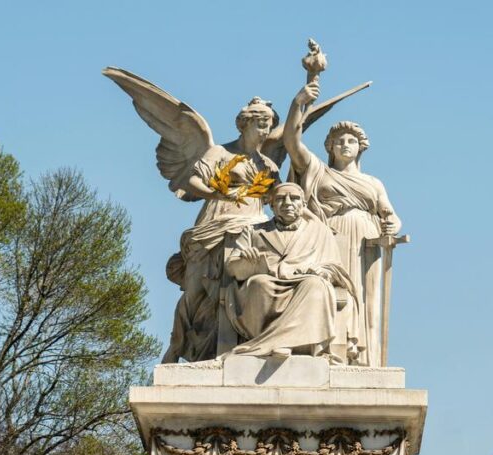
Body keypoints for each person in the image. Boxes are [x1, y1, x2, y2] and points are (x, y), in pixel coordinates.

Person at [283, 81, 402, 365]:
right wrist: (297, 104)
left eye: (351, 141)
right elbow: (291, 142)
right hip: (332, 237)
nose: (345, 145)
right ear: (330, 147)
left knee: (367, 299)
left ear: (361, 147)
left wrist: (392, 226)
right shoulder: (318, 171)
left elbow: (391, 214)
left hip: (368, 240)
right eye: (339, 141)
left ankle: (364, 358)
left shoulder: (373, 183)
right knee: (336, 294)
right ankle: (330, 350)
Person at [161, 98, 281, 362]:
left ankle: (231, 346)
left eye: (269, 125)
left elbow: (281, 197)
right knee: (195, 290)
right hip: (216, 222)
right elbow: (191, 179)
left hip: (252, 225)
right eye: (261, 124)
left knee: (237, 287)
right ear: (244, 124)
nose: (265, 131)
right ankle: (178, 344)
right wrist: (215, 194)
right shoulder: (220, 153)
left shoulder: (268, 165)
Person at [225, 182, 355, 360]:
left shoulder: (320, 232)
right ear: (271, 205)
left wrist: (322, 271)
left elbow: (335, 267)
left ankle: (281, 343)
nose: (287, 202)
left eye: (294, 198)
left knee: (316, 285)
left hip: (303, 281)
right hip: (266, 282)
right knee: (259, 283)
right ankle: (272, 341)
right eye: (280, 199)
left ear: (303, 204)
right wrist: (244, 262)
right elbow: (232, 268)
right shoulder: (253, 231)